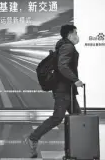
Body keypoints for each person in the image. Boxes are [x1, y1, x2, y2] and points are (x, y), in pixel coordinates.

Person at [24, 24, 84, 158]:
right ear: (70, 34)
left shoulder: (63, 46)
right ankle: (33, 138)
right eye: (75, 33)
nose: (77, 35)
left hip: (66, 90)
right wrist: (75, 80)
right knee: (58, 117)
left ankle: (75, 147)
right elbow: (62, 66)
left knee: (77, 117)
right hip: (63, 90)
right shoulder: (68, 46)